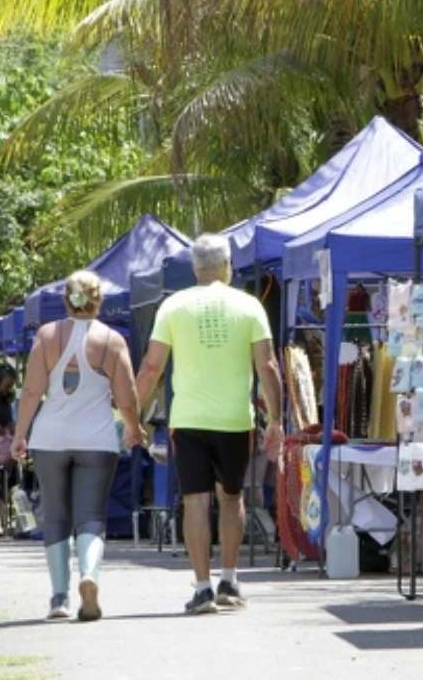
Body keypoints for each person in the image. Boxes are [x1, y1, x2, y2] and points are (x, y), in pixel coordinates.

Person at [136, 234, 284, 615]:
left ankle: (202, 588)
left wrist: (131, 415)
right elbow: (267, 365)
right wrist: (278, 420)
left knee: (195, 500)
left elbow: (152, 367)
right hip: (235, 420)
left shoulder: (173, 305)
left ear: (195, 268)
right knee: (231, 497)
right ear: (228, 265)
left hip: (187, 420)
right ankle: (229, 580)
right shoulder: (249, 305)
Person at [12, 270, 144, 622]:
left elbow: (31, 391)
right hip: (96, 438)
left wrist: (20, 434)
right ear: (99, 301)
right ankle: (89, 574)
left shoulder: (47, 335)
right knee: (91, 516)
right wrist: (133, 429)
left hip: (50, 437)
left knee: (55, 516)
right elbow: (127, 397)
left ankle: (59, 598)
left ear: (65, 300)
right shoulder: (113, 340)